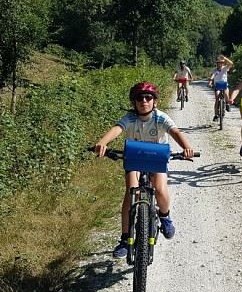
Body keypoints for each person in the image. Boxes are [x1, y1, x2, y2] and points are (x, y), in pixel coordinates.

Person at [93, 81, 195, 258]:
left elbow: (175, 132)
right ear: (134, 102)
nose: (144, 101)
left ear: (155, 101)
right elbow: (117, 129)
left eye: (149, 98)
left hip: (157, 159)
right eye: (139, 98)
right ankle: (125, 238)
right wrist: (103, 142)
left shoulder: (160, 117)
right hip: (135, 158)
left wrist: (186, 147)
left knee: (161, 190)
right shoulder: (130, 118)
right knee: (131, 192)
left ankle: (165, 217)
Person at [207, 54, 233, 122]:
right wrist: (210, 83)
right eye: (218, 63)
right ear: (217, 64)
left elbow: (231, 63)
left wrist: (225, 58)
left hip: (224, 85)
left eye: (221, 63)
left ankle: (227, 104)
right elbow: (212, 76)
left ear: (222, 63)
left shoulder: (225, 68)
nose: (220, 64)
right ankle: (216, 115)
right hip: (217, 86)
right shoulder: (214, 70)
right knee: (217, 98)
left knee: (226, 93)